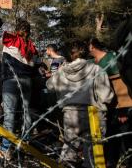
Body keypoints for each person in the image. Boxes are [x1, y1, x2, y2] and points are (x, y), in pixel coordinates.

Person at [46, 40, 114, 167]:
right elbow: (106, 96)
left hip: (70, 114)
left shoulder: (62, 71)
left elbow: (49, 86)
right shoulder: (96, 69)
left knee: (68, 151)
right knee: (92, 154)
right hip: (94, 114)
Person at [0, 3, 38, 159]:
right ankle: (25, 144)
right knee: (26, 114)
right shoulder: (32, 47)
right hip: (28, 82)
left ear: (17, 30)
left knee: (10, 115)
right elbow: (35, 66)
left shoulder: (11, 39)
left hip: (12, 80)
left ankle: (6, 149)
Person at [89, 37, 132, 167]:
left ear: (92, 46)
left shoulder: (111, 59)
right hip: (105, 109)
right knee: (111, 138)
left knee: (125, 137)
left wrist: (122, 108)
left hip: (121, 106)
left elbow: (121, 85)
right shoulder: (92, 62)